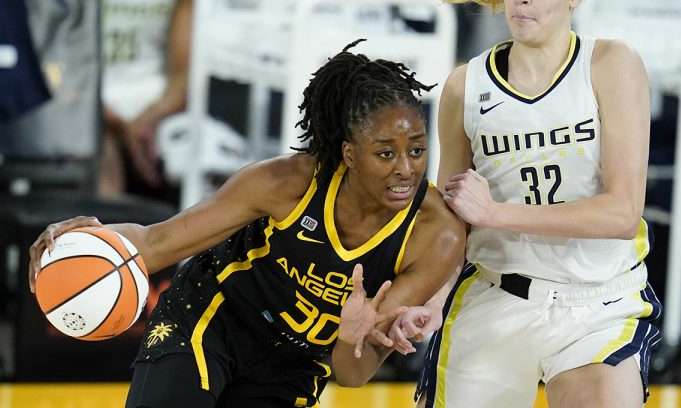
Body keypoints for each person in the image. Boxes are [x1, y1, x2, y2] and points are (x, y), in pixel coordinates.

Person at [27, 40, 465, 408]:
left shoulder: (437, 237)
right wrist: (86, 241)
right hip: (213, 317)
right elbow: (155, 241)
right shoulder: (284, 183)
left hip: (296, 362)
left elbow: (352, 374)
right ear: (349, 153)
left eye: (418, 150)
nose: (407, 169)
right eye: (386, 153)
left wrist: (353, 337)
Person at [389, 0, 663, 407]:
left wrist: (497, 214)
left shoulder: (611, 62)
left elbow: (623, 215)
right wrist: (432, 299)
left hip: (597, 304)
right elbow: (450, 223)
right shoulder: (465, 85)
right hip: (497, 296)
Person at [42, 0, 199, 197]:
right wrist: (112, 121)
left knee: (197, 159)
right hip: (83, 98)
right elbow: (52, 59)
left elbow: (183, 76)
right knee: (103, 155)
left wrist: (148, 119)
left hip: (154, 104)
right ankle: (102, 228)